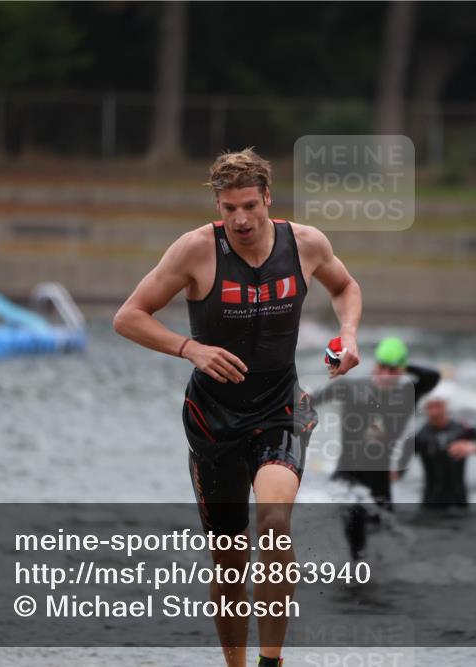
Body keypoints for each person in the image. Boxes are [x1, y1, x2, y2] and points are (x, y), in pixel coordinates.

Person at [114, 148, 362, 667]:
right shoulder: (194, 251)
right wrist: (190, 348)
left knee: (273, 519)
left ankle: (272, 661)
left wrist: (348, 333)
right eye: (228, 209)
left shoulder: (306, 244)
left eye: (249, 205)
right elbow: (129, 316)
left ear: (268, 198)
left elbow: (345, 287)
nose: (240, 220)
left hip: (280, 409)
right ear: (218, 206)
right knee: (229, 561)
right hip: (214, 420)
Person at [312, 336, 439, 559]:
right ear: (374, 365)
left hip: (379, 478)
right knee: (356, 541)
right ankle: (351, 581)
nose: (386, 375)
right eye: (382, 367)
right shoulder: (349, 387)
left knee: (386, 539)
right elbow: (308, 402)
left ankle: (372, 586)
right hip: (348, 475)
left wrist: (403, 365)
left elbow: (433, 376)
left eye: (393, 370)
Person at [409, 394, 476, 510]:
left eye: (438, 404)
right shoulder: (419, 436)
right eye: (430, 405)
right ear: (425, 408)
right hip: (430, 503)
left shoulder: (465, 430)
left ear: (446, 405)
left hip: (459, 503)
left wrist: (475, 448)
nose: (434, 409)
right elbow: (397, 470)